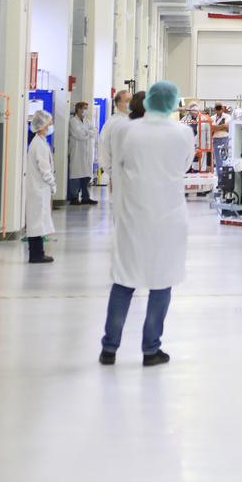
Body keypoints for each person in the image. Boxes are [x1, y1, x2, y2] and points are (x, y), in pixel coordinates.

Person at [99, 80, 195, 366]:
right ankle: (151, 349)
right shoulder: (183, 133)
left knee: (124, 280)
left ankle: (110, 348)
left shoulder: (125, 131)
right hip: (169, 216)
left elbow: (117, 165)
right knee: (161, 281)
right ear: (172, 102)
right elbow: (185, 164)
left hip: (132, 214)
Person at [26, 109, 56, 264]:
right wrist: (52, 184)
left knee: (38, 221)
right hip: (38, 189)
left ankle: (38, 253)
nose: (51, 125)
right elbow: (45, 170)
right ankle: (36, 255)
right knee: (37, 222)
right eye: (49, 123)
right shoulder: (39, 145)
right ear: (43, 125)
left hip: (39, 189)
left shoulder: (40, 142)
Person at [98, 90, 132, 190]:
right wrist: (112, 174)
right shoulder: (112, 123)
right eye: (128, 100)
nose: (131, 103)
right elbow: (104, 150)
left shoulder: (130, 121)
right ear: (118, 104)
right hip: (119, 174)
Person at [68, 101, 97, 205]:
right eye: (84, 108)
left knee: (86, 176)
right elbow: (78, 135)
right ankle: (74, 198)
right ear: (79, 109)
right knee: (75, 176)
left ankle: (86, 197)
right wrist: (88, 133)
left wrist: (88, 133)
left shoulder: (87, 121)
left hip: (86, 152)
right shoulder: (73, 121)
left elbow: (94, 131)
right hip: (76, 152)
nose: (86, 110)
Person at [210, 102, 231, 177]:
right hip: (216, 139)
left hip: (224, 139)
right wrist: (222, 127)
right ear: (215, 109)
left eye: (220, 108)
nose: (218, 110)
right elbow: (212, 128)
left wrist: (216, 127)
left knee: (225, 159)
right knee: (218, 160)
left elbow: (227, 126)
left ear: (222, 108)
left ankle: (225, 178)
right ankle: (220, 180)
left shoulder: (227, 116)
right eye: (217, 108)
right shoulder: (212, 118)